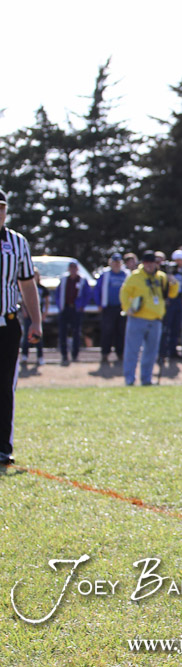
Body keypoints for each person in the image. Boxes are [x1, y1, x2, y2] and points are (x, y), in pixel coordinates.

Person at [0, 189, 43, 468]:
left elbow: (27, 284)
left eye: (2, 208)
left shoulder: (17, 242)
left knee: (5, 386)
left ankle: (3, 447)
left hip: (7, 322)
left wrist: (36, 321)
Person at [119, 251, 180, 386]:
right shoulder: (135, 276)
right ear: (143, 263)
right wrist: (127, 308)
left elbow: (172, 294)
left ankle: (146, 379)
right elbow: (124, 292)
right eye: (147, 263)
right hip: (137, 318)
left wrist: (173, 283)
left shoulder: (161, 277)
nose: (149, 266)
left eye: (152, 263)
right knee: (132, 351)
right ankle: (129, 379)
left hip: (156, 319)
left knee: (151, 352)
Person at [94, 252, 130, 363]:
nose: (116, 264)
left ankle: (120, 353)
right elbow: (97, 290)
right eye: (114, 262)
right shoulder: (105, 274)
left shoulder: (126, 274)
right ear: (111, 263)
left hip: (122, 308)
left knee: (121, 331)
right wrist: (99, 304)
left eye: (118, 262)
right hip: (108, 307)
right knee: (107, 331)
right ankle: (105, 353)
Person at [56, 261, 88, 364]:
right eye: (71, 268)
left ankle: (75, 354)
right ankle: (64, 355)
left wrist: (82, 305)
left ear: (77, 269)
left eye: (75, 268)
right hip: (65, 308)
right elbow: (58, 294)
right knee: (63, 332)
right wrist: (60, 306)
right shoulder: (63, 279)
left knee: (76, 332)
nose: (73, 270)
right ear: (68, 269)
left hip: (76, 309)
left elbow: (87, 294)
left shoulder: (82, 280)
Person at [19, 271, 48, 365]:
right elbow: (23, 300)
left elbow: (46, 302)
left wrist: (43, 314)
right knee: (26, 337)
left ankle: (40, 357)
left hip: (37, 315)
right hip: (27, 315)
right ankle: (24, 356)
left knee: (38, 337)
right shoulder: (24, 286)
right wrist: (23, 310)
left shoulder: (42, 288)